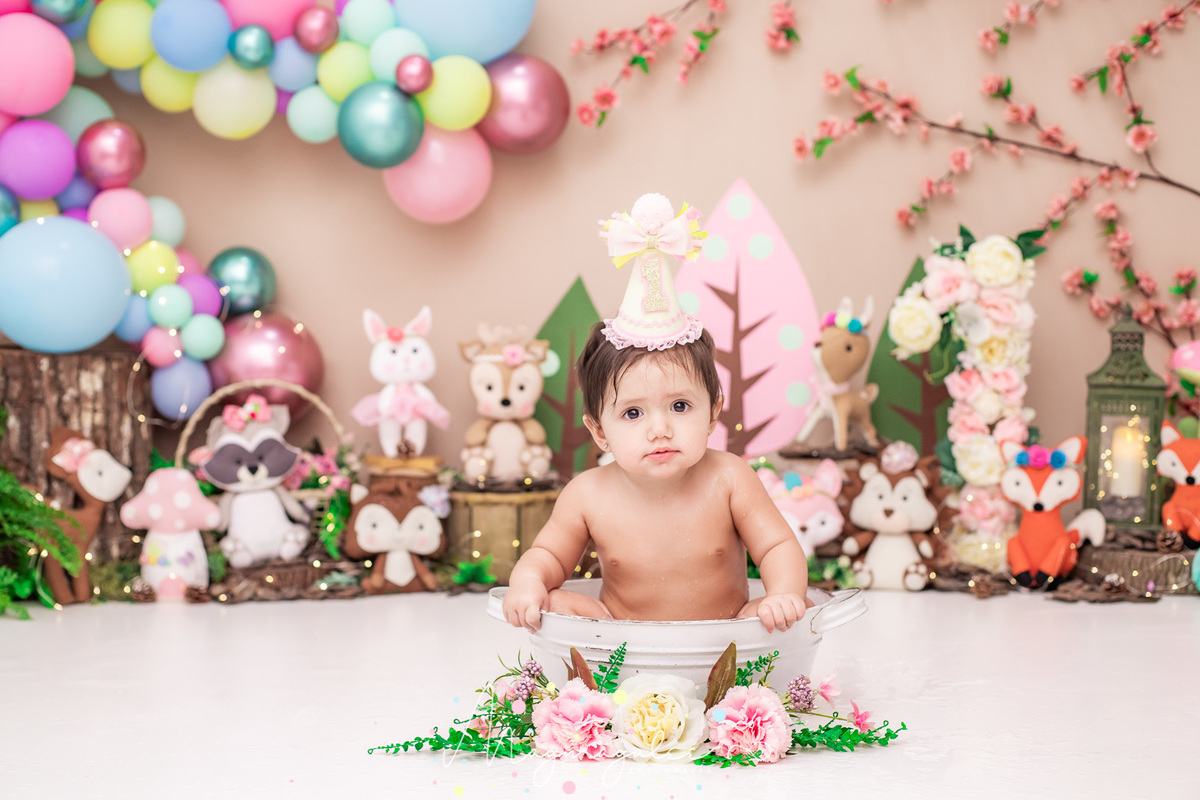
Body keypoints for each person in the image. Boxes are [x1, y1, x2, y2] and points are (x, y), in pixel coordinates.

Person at [502, 193, 810, 634]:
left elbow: (778, 545)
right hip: (620, 639)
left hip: (724, 636)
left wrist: (782, 594)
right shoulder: (587, 495)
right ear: (599, 431)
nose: (660, 429)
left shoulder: (730, 479)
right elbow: (547, 555)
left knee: (770, 615)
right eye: (632, 414)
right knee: (554, 603)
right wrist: (528, 582)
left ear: (713, 412)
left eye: (680, 406)